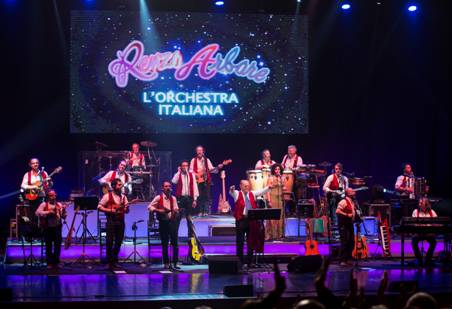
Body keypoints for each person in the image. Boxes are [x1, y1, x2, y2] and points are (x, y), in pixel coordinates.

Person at [229, 180, 271, 266]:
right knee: (240, 242)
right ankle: (239, 262)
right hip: (241, 220)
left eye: (248, 186)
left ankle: (249, 262)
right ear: (240, 186)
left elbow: (262, 191)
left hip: (251, 221)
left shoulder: (252, 193)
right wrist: (231, 189)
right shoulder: (237, 193)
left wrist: (268, 187)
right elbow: (231, 192)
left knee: (251, 241)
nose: (247, 187)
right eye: (245, 186)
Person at [97, 178, 130, 269]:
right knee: (109, 242)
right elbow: (99, 206)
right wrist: (110, 210)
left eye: (121, 184)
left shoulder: (124, 197)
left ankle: (115, 260)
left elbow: (127, 211)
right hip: (111, 222)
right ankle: (109, 262)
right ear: (114, 186)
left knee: (118, 242)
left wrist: (126, 209)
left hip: (121, 222)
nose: (121, 186)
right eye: (119, 185)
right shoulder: (107, 196)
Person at [148, 181, 180, 270]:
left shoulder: (173, 198)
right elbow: (150, 207)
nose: (168, 188)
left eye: (169, 186)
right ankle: (166, 263)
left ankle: (175, 263)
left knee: (175, 243)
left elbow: (176, 208)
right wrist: (159, 210)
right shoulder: (158, 197)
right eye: (166, 186)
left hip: (172, 222)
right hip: (163, 223)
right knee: (165, 244)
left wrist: (176, 211)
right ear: (163, 188)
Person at [35, 189, 67, 269]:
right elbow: (37, 213)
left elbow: (63, 216)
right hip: (48, 228)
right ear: (48, 197)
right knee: (48, 246)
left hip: (57, 227)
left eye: (55, 195)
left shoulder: (59, 204)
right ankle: (49, 262)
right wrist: (48, 212)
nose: (54, 197)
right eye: (52, 195)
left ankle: (56, 262)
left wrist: (64, 210)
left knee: (57, 246)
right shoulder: (44, 204)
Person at [189, 145, 224, 216]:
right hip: (197, 180)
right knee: (199, 196)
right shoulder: (193, 160)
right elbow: (190, 170)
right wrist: (195, 174)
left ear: (203, 151)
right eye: (198, 150)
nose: (199, 152)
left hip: (206, 180)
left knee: (207, 196)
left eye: (200, 150)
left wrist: (217, 168)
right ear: (196, 152)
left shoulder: (206, 160)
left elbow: (211, 169)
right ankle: (200, 211)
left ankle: (206, 211)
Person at [21, 158, 52, 226]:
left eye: (37, 163)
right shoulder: (27, 174)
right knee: (33, 216)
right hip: (32, 198)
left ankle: (43, 234)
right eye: (33, 163)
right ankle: (35, 234)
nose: (35, 164)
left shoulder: (44, 173)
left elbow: (49, 186)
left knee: (43, 216)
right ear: (30, 165)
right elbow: (23, 186)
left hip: (43, 197)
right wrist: (33, 187)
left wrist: (50, 182)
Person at [171, 160, 199, 238]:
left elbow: (195, 187)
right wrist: (178, 171)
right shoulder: (178, 174)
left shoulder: (191, 175)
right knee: (178, 218)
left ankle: (191, 237)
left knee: (189, 219)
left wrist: (195, 199)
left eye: (186, 165)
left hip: (189, 198)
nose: (185, 167)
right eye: (183, 166)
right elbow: (173, 181)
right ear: (181, 167)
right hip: (181, 198)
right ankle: (174, 236)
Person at [411, 197, 437, 267]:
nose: (419, 204)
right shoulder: (415, 211)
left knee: (433, 242)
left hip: (428, 233)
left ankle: (427, 260)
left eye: (421, 203)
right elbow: (413, 224)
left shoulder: (432, 212)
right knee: (414, 241)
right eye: (419, 202)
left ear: (426, 204)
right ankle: (419, 260)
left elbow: (436, 223)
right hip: (419, 233)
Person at [323, 163, 349, 227]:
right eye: (336, 169)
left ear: (341, 170)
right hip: (333, 195)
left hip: (342, 196)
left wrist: (344, 192)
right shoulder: (331, 177)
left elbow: (346, 189)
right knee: (334, 198)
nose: (337, 170)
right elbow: (324, 187)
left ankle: (346, 220)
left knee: (348, 200)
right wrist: (332, 191)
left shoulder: (345, 178)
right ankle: (335, 221)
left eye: (339, 169)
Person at [265, 163, 285, 240]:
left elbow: (284, 188)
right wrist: (269, 200)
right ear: (273, 170)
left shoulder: (281, 178)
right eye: (276, 169)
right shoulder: (271, 178)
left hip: (279, 198)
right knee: (272, 217)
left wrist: (282, 181)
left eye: (279, 169)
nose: (277, 171)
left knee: (280, 217)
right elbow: (267, 190)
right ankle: (272, 235)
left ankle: (279, 235)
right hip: (272, 198)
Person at [336, 188, 356, 266]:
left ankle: (347, 258)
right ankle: (342, 260)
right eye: (352, 191)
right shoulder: (343, 201)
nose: (354, 192)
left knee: (351, 241)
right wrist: (347, 215)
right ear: (348, 193)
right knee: (344, 242)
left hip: (349, 224)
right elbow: (337, 211)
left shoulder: (352, 202)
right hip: (344, 225)